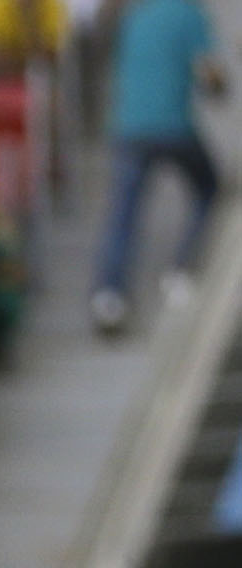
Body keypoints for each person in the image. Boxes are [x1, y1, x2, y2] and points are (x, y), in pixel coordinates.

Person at [95, 0, 224, 333]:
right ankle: (181, 269)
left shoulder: (135, 17)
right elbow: (209, 73)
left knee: (123, 213)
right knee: (211, 187)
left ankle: (109, 296)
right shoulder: (189, 14)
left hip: (129, 127)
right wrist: (219, 86)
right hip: (172, 126)